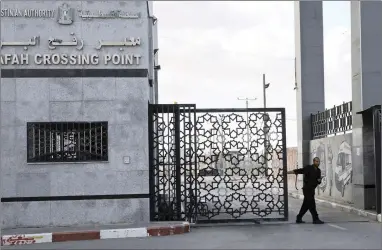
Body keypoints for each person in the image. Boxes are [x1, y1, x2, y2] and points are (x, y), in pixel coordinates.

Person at [287, 157, 325, 224]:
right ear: (314, 161)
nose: (318, 163)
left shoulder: (318, 170)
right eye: (316, 161)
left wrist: (319, 180)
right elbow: (300, 170)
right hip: (307, 189)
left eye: (319, 161)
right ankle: (315, 219)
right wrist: (288, 172)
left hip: (312, 189)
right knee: (312, 204)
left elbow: (318, 181)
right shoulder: (309, 168)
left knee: (306, 205)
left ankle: (299, 218)